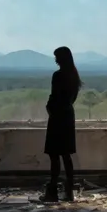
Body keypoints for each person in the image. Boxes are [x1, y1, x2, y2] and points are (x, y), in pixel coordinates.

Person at [41, 46, 83, 202]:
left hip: (57, 116)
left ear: (62, 58)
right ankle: (69, 191)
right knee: (66, 155)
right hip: (67, 115)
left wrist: (50, 108)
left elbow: (54, 96)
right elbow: (71, 99)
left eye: (57, 57)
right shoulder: (74, 76)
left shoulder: (58, 76)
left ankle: (52, 191)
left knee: (54, 155)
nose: (55, 59)